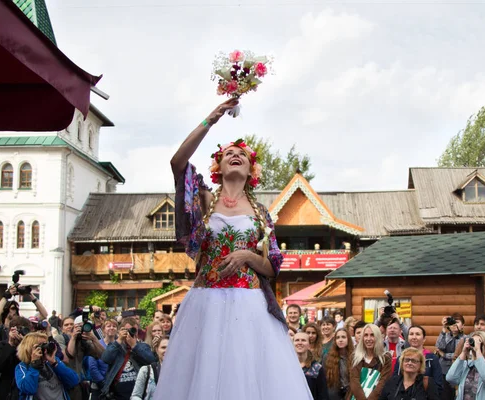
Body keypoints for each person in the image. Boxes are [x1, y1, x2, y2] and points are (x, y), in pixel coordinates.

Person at [156, 98, 314, 399]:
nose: (235, 155)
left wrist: (247, 256)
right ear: (219, 166)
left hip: (250, 306)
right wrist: (211, 118)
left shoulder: (260, 213)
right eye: (229, 153)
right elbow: (177, 164)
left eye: (241, 153)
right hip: (207, 303)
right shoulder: (204, 198)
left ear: (251, 168)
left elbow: (272, 267)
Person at [99, 317, 156, 399]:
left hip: (139, 393)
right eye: (127, 330)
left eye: (134, 330)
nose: (131, 333)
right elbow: (105, 358)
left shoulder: (143, 346)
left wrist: (134, 346)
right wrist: (119, 340)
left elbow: (151, 361)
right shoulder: (116, 346)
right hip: (117, 394)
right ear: (121, 331)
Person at [15, 332, 79, 400]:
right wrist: (34, 365)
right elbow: (29, 389)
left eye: (46, 344)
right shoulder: (22, 367)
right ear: (29, 348)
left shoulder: (53, 361)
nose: (45, 348)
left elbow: (73, 381)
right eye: (41, 345)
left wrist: (55, 363)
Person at [446, 331, 485, 400]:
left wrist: (478, 351)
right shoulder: (468, 365)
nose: (475, 346)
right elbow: (450, 378)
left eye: (479, 343)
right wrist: (463, 353)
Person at [0, 316, 32, 400]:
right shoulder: (2, 345)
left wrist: (24, 345)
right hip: (6, 390)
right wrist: (10, 344)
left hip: (24, 390)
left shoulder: (31, 346)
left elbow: (32, 364)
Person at [393, 325, 443, 396]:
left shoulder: (432, 358)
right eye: (411, 334)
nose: (414, 337)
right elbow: (395, 381)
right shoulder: (401, 358)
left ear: (424, 339)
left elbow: (438, 384)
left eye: (417, 334)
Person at [349, 324, 392, 400]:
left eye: (372, 335)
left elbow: (383, 383)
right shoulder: (355, 357)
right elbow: (354, 381)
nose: (368, 338)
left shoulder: (386, 358)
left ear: (378, 337)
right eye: (366, 335)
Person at [436, 314, 465, 400]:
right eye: (453, 322)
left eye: (457, 322)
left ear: (463, 325)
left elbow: (459, 354)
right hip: (444, 370)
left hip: (458, 371)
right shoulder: (446, 335)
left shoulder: (465, 338)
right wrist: (444, 329)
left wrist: (445, 355)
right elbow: (439, 346)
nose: (454, 325)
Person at [294, 332, 329, 400]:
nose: (300, 343)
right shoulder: (288, 366)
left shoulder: (316, 368)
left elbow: (323, 394)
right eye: (297, 340)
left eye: (303, 340)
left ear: (309, 345)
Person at [326, 328, 354, 400]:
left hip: (351, 393)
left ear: (348, 339)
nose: (340, 340)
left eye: (343, 337)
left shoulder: (354, 357)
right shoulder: (328, 357)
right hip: (334, 394)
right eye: (338, 338)